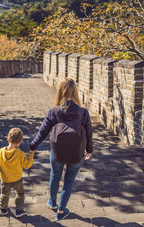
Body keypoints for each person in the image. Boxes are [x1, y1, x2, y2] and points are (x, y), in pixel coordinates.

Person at [30, 78, 93, 221]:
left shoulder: (54, 111)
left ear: (60, 91)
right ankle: (61, 211)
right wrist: (89, 150)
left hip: (57, 151)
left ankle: (52, 202)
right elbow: (89, 134)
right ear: (75, 91)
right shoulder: (83, 113)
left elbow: (42, 132)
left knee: (54, 175)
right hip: (77, 152)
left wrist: (33, 146)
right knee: (69, 180)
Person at [0, 128, 36, 218]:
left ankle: (3, 209)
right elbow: (27, 165)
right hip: (17, 179)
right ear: (20, 141)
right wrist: (31, 155)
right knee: (20, 194)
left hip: (5, 179)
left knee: (4, 194)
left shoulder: (0, 152)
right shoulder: (20, 153)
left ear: (8, 138)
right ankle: (19, 210)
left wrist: (1, 170)